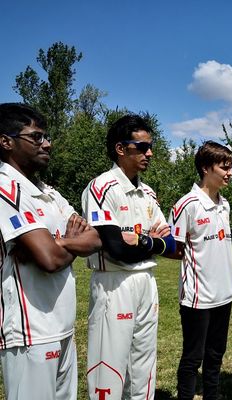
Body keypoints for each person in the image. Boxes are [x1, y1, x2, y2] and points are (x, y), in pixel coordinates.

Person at [0, 103, 101, 400]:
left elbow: (94, 239)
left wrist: (58, 243)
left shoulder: (49, 193)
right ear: (6, 142)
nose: (47, 143)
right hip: (30, 331)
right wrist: (65, 244)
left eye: (46, 136)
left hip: (63, 325)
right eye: (36, 137)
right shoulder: (6, 189)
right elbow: (49, 260)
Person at [82, 114, 175, 400]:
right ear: (121, 149)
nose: (150, 153)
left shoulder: (148, 192)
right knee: (109, 364)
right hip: (114, 282)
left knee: (144, 363)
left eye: (151, 146)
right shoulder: (101, 188)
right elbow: (117, 250)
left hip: (147, 280)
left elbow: (173, 246)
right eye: (142, 146)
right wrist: (154, 242)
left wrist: (146, 241)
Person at [168, 141, 232, 400]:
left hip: (224, 293)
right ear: (206, 168)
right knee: (193, 356)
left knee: (216, 353)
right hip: (198, 297)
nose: (229, 173)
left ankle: (212, 394)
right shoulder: (187, 204)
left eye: (231, 167)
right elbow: (174, 249)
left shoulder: (225, 203)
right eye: (224, 167)